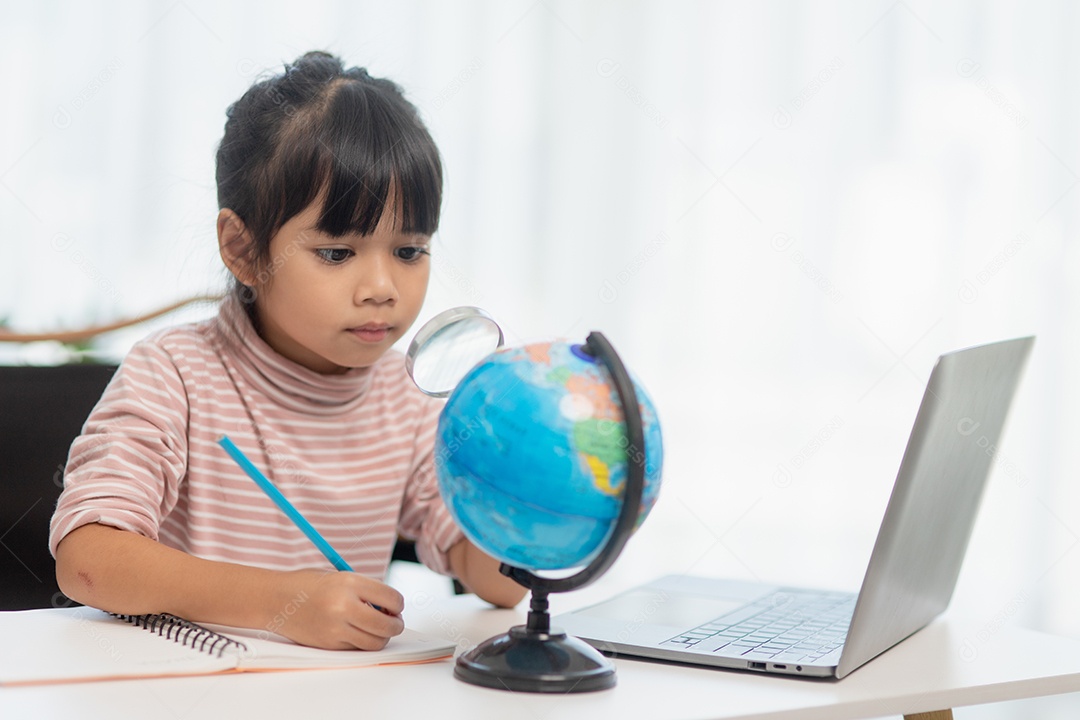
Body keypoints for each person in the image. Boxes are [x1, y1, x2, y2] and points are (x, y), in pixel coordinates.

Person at [51, 51, 526, 651]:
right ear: (243, 249)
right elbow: (88, 559)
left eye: (409, 251)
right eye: (336, 253)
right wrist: (282, 603)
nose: (381, 288)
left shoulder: (405, 400)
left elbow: (497, 583)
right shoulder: (174, 374)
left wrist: (530, 494)